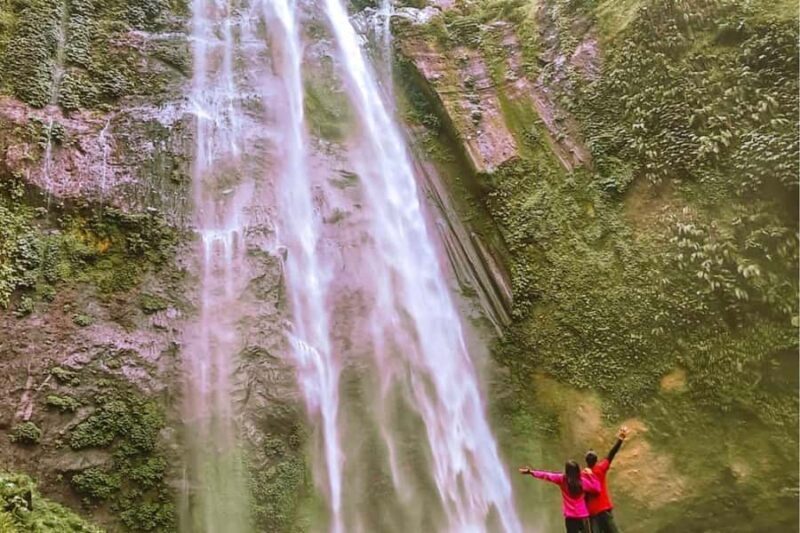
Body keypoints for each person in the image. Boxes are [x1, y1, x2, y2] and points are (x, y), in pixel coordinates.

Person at [519, 460, 600, 533]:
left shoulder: (562, 479)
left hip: (570, 517)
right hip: (583, 516)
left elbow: (547, 475)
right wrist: (591, 475)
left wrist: (531, 472)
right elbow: (597, 489)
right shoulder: (582, 482)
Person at [584, 426, 629, 533]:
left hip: (593, 512)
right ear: (596, 460)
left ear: (586, 461)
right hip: (604, 508)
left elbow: (583, 495)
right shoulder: (601, 468)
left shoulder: (583, 474)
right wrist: (620, 439)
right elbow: (611, 454)